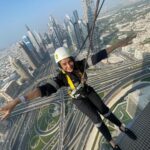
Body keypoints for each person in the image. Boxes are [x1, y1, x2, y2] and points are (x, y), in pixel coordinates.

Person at [0, 36, 137, 150]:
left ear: (72, 59)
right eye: (64, 64)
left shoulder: (80, 65)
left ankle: (122, 127)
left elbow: (99, 56)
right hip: (78, 100)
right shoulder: (60, 78)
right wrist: (17, 101)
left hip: (88, 92)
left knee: (105, 111)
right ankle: (113, 143)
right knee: (97, 120)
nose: (68, 66)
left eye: (69, 61)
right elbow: (43, 90)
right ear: (60, 66)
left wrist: (118, 44)